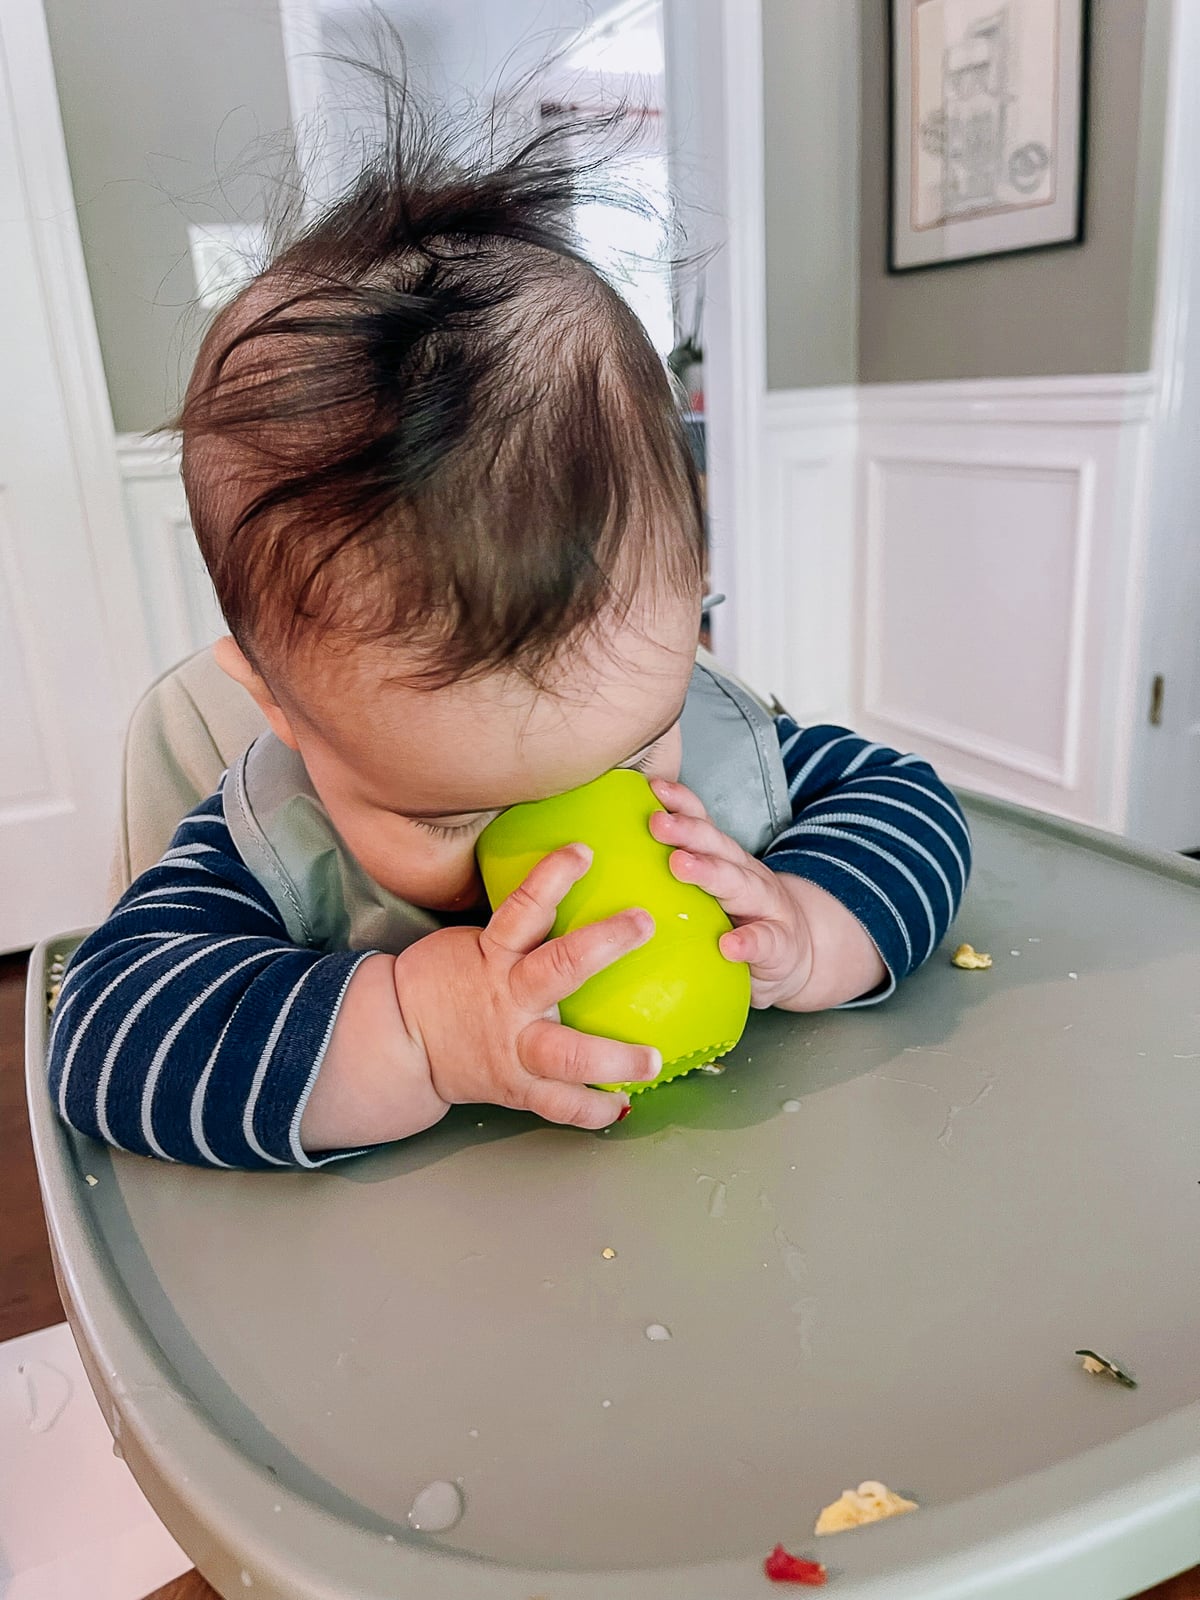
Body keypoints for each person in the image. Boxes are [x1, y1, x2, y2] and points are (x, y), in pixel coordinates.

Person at [48, 93, 971, 1170]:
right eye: (454, 817)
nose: (560, 855)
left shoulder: (722, 759)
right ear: (279, 708)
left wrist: (815, 925)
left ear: (691, 614)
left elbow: (916, 807)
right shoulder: (278, 849)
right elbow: (103, 1039)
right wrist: (414, 1032)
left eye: (630, 758)